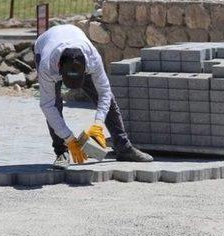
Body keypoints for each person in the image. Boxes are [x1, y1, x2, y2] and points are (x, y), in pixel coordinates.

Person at [35, 24, 153, 169]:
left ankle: (124, 148)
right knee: (55, 105)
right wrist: (69, 138)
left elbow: (105, 94)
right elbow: (47, 106)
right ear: (59, 67)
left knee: (108, 99)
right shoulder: (47, 66)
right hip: (45, 44)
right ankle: (61, 153)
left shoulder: (92, 58)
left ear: (85, 68)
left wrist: (98, 124)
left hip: (73, 37)